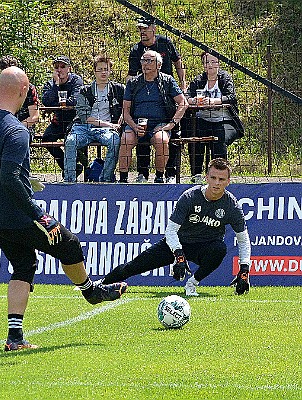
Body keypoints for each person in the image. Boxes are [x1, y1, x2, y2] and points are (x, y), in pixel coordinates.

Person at [0, 66, 127, 351]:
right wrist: (39, 214)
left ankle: (15, 337)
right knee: (69, 244)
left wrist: (26, 180)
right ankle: (91, 291)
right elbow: (9, 178)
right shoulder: (16, 130)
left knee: (24, 264)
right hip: (16, 215)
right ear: (24, 92)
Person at [102, 158, 251, 297]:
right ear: (206, 178)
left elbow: (243, 240)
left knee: (220, 249)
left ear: (228, 182)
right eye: (213, 178)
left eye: (221, 179)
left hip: (205, 247)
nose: (216, 183)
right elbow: (171, 230)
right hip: (177, 243)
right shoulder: (190, 197)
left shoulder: (232, 205)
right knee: (133, 267)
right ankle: (101, 285)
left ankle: (192, 283)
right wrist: (179, 254)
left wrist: (244, 269)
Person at [127, 17, 187, 184]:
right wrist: (129, 92)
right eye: (140, 29)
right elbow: (131, 74)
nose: (142, 32)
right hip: (144, 91)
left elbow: (177, 62)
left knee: (169, 136)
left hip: (167, 92)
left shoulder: (165, 42)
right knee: (142, 134)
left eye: (145, 28)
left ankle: (168, 173)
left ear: (153, 28)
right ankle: (142, 173)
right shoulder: (136, 50)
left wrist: (182, 83)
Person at [64, 55, 124, 182]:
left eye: (106, 69)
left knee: (114, 141)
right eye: (100, 69)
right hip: (84, 128)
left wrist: (121, 119)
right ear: (94, 71)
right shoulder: (84, 91)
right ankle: (69, 181)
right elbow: (86, 118)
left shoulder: (119, 89)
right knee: (70, 141)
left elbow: (129, 105)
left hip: (107, 131)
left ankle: (106, 179)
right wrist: (110, 125)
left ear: (110, 70)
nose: (103, 72)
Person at [186, 52, 244, 183]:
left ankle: (221, 175)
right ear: (203, 65)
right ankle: (197, 175)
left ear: (219, 63)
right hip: (202, 119)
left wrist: (214, 101)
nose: (210, 65)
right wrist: (194, 101)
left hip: (224, 120)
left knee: (219, 138)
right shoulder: (198, 80)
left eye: (213, 62)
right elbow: (185, 97)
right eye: (207, 62)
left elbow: (231, 97)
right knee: (195, 137)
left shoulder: (225, 78)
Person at [41, 55, 84, 174]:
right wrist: (57, 85)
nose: (59, 70)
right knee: (47, 140)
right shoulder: (51, 84)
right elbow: (46, 102)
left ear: (69, 68)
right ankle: (69, 167)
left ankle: (85, 168)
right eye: (56, 67)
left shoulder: (76, 80)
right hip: (59, 121)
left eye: (63, 66)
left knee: (73, 141)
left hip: (76, 121)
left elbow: (76, 100)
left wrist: (60, 103)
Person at [0, 55, 39, 129]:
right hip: (3, 127)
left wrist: (15, 128)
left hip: (24, 127)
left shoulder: (29, 88)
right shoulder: (1, 88)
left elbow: (34, 117)